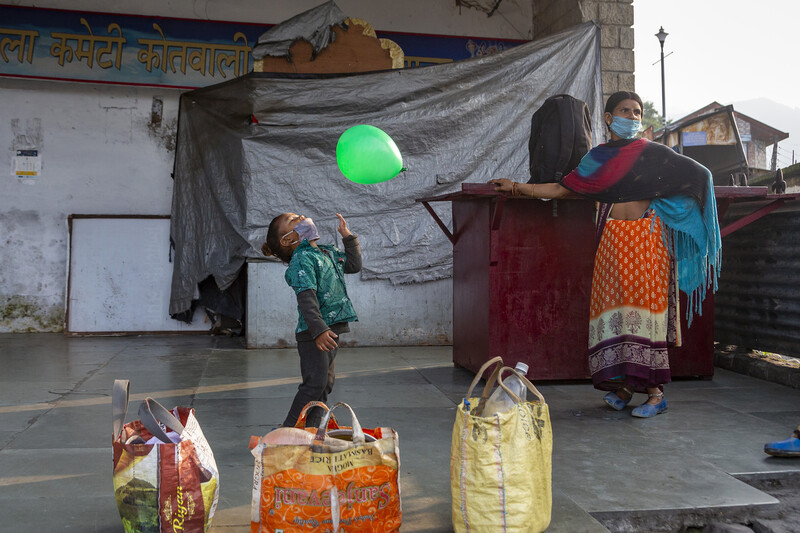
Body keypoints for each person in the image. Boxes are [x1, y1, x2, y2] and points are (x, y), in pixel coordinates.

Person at [490, 90, 721, 418]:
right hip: (611, 244)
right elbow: (561, 188)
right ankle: (625, 388)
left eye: (638, 112)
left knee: (645, 316)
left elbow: (702, 176)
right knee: (615, 317)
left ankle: (656, 394)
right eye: (625, 111)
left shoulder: (654, 155)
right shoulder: (596, 160)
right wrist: (516, 187)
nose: (633, 117)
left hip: (647, 242)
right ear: (609, 118)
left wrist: (686, 219)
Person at [262, 212, 361, 428]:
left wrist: (348, 237)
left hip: (331, 329)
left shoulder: (326, 251)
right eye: (293, 220)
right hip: (314, 334)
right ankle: (287, 430)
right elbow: (306, 298)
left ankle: (312, 428)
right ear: (288, 239)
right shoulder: (301, 260)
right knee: (314, 384)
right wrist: (318, 331)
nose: (302, 217)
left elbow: (353, 265)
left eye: (299, 215)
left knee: (324, 384)